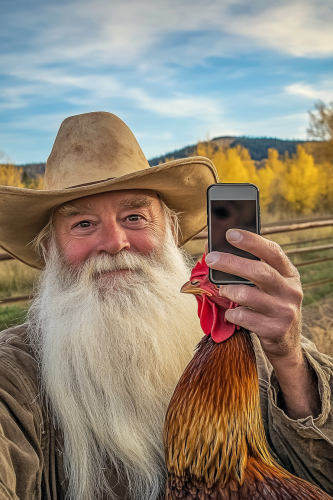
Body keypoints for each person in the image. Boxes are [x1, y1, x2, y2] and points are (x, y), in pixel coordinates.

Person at [0, 112, 331, 500]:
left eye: (135, 216)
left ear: (171, 232)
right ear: (49, 250)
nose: (115, 242)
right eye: (83, 224)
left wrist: (289, 357)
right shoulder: (16, 376)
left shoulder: (245, 333)